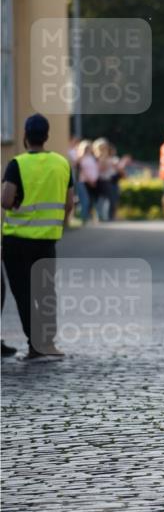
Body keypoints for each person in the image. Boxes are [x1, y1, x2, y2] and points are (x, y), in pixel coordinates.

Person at [1, 114, 74, 361]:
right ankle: (48, 343)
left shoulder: (17, 164)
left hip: (16, 242)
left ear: (25, 136)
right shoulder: (62, 163)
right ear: (46, 136)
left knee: (23, 294)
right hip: (46, 241)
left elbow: (5, 200)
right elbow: (68, 202)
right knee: (45, 292)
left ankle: (35, 345)